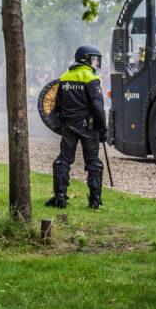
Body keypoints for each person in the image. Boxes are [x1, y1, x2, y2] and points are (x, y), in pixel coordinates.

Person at [45, 45, 107, 210]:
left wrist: (59, 124)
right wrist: (104, 129)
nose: (95, 62)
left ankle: (60, 197)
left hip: (69, 126)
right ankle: (94, 201)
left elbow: (56, 105)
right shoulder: (90, 77)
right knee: (93, 162)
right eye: (93, 59)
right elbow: (97, 105)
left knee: (63, 160)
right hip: (88, 127)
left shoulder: (65, 76)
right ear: (85, 59)